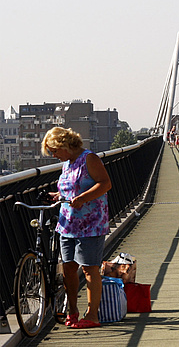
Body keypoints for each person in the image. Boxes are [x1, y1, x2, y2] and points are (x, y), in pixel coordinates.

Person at [42, 127, 112, 329]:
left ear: (65, 145)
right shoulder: (67, 163)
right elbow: (71, 188)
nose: (53, 155)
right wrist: (57, 196)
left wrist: (82, 198)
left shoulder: (89, 158)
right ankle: (72, 311)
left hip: (90, 223)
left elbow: (105, 183)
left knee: (90, 269)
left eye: (54, 151)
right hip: (67, 223)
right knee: (69, 269)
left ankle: (92, 316)